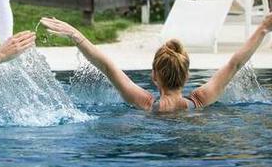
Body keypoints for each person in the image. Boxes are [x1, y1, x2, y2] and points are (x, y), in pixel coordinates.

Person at [40, 15, 272, 112]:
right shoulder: (200, 100)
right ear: (187, 76)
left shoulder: (145, 103)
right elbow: (235, 64)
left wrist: (76, 35)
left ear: (154, 76)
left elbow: (107, 67)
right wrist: (263, 27)